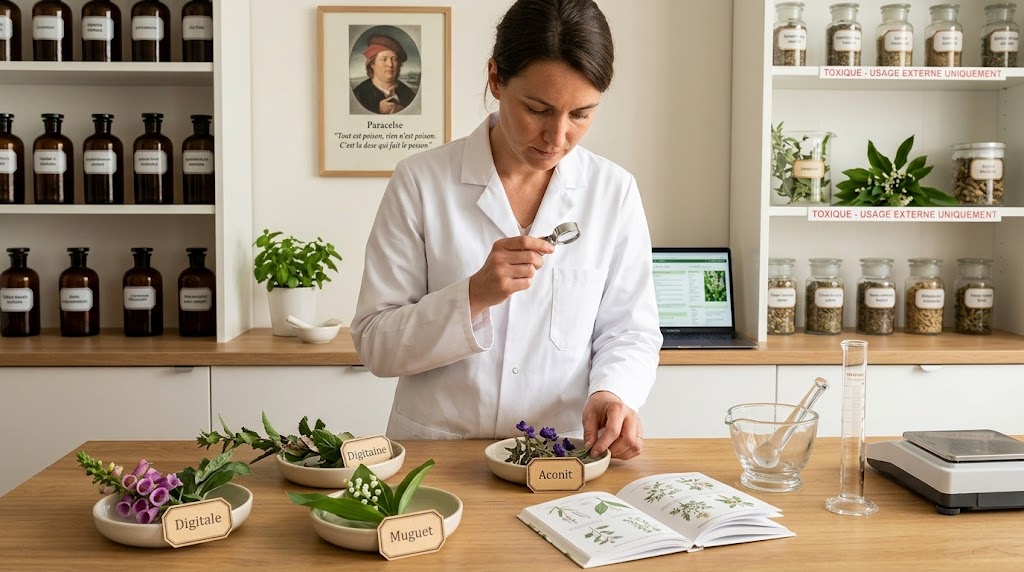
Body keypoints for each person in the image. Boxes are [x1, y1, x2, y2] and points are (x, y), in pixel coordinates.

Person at [350, 0, 661, 461]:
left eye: (581, 115)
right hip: (439, 453)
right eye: (537, 109)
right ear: (495, 79)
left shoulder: (613, 192)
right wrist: (472, 296)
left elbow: (630, 332)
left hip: (558, 455)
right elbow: (376, 344)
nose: (557, 137)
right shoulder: (420, 182)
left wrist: (612, 393)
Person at [351, 34, 417, 115]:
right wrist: (377, 110)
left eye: (394, 59)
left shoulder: (408, 93)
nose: (390, 64)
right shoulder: (359, 94)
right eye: (384, 59)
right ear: (372, 64)